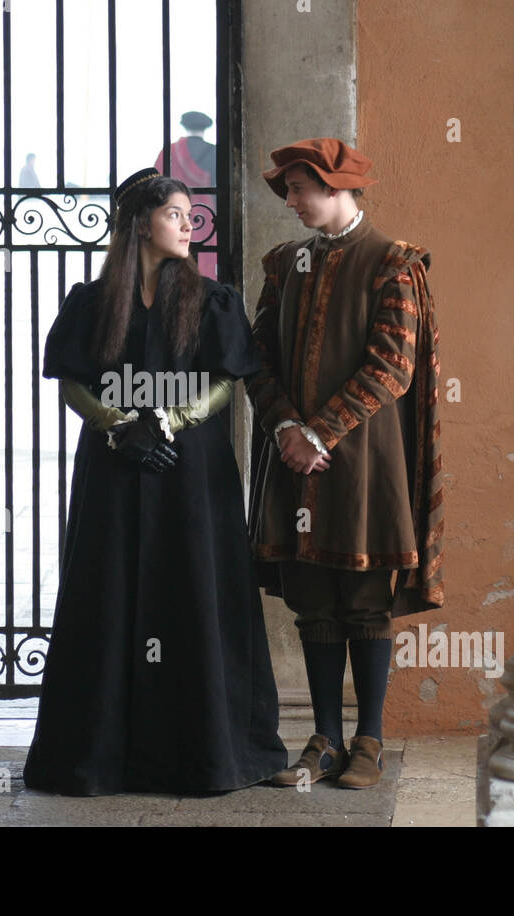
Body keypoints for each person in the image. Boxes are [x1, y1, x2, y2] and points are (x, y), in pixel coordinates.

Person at [23, 167, 288, 796]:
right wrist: (118, 426)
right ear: (142, 223)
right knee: (108, 590)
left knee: (194, 588)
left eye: (190, 213)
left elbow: (228, 380)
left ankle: (206, 754)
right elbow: (71, 380)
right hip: (113, 468)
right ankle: (100, 756)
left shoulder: (211, 299)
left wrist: (171, 420)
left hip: (190, 470)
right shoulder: (91, 302)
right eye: (175, 213)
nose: (188, 224)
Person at [245, 137, 445, 790]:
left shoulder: (394, 263)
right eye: (290, 189)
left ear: (337, 187)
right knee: (313, 600)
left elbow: (394, 363)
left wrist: (321, 432)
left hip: (363, 458)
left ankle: (371, 740)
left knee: (364, 598)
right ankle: (325, 739)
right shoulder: (282, 265)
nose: (293, 200)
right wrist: (283, 426)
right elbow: (259, 359)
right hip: (295, 458)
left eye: (301, 188)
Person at [153, 111, 217, 280]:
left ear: (184, 125)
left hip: (173, 212)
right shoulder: (214, 151)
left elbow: (155, 186)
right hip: (206, 212)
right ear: (205, 127)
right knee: (205, 256)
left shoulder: (169, 151)